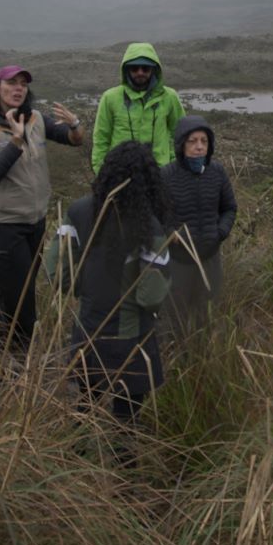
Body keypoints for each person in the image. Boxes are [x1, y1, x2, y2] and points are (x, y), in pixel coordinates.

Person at [51, 140, 172, 422]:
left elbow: (58, 269)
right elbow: (151, 295)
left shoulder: (80, 211)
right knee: (126, 414)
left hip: (88, 327)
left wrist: (84, 291)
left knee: (86, 402)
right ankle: (124, 460)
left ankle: (79, 452)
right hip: (131, 334)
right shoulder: (149, 225)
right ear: (148, 180)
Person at [0, 64, 83, 354]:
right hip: (1, 226)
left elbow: (73, 141)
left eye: (23, 84)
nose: (19, 89)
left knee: (15, 295)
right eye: (12, 83)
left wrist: (75, 125)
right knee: (23, 302)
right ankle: (19, 362)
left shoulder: (35, 119)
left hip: (34, 222)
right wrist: (16, 141)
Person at [160, 115, 237, 340]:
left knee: (207, 315)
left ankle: (203, 358)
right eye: (192, 141)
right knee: (175, 317)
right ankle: (176, 361)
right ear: (181, 144)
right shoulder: (166, 175)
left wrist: (220, 232)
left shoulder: (217, 172)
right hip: (178, 261)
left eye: (204, 141)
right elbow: (156, 215)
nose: (199, 147)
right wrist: (170, 233)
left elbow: (229, 208)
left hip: (209, 258)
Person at [90, 42, 185, 171]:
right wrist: (102, 173)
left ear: (154, 69)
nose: (140, 72)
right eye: (134, 68)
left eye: (145, 68)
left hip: (160, 173)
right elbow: (101, 139)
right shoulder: (110, 98)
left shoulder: (169, 97)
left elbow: (180, 135)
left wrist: (175, 167)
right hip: (121, 175)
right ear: (126, 69)